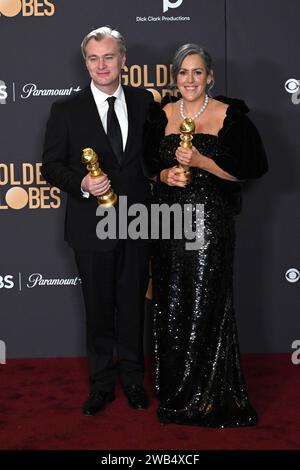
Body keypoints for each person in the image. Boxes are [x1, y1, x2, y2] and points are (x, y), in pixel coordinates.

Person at [144, 44, 268, 427]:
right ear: (175, 77)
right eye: (184, 72)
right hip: (167, 225)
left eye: (198, 72)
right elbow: (149, 166)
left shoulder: (229, 115)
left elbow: (250, 169)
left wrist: (202, 162)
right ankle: (176, 388)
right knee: (171, 300)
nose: (190, 80)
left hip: (210, 225)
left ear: (209, 77)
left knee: (205, 303)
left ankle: (207, 396)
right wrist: (166, 175)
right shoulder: (161, 113)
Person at [41, 27, 153, 416]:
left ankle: (134, 381)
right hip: (90, 226)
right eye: (93, 58)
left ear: (123, 61)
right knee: (99, 309)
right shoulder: (66, 110)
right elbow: (51, 166)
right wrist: (83, 183)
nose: (101, 65)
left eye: (108, 57)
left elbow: (156, 156)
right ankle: (102, 383)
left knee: (133, 306)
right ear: (85, 63)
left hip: (138, 223)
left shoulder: (145, 103)